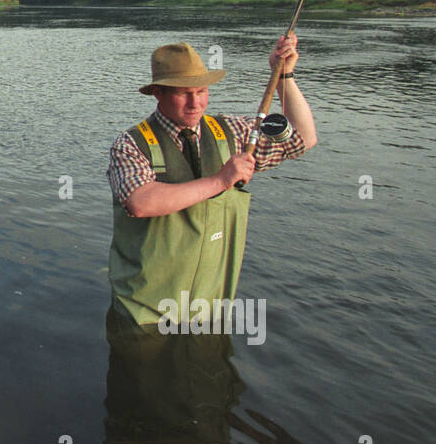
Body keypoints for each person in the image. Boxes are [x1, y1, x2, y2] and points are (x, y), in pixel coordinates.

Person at [105, 37, 316, 327]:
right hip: (145, 315)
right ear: (158, 93)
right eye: (183, 93)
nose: (195, 103)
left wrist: (284, 77)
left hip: (211, 312)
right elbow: (141, 202)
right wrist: (221, 180)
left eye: (202, 91)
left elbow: (302, 139)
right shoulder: (130, 144)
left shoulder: (232, 131)